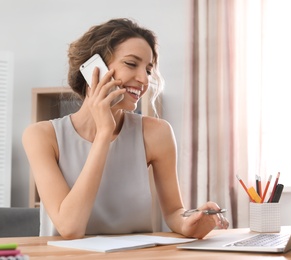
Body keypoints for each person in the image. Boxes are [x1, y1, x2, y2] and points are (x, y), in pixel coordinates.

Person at [22, 18, 229, 239]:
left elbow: (173, 212)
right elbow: (70, 228)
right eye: (131, 64)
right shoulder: (41, 136)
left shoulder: (156, 133)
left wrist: (190, 222)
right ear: (94, 69)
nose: (143, 79)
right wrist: (104, 134)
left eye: (148, 70)